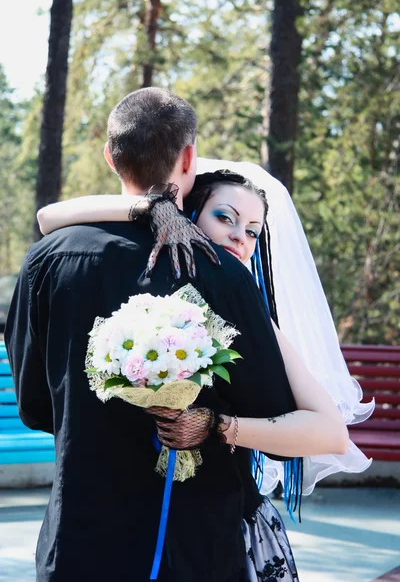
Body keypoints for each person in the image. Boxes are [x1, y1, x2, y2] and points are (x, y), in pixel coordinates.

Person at [6, 87, 348, 582]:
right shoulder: (221, 277)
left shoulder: (45, 260)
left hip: (79, 543)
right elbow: (279, 420)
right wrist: (215, 424)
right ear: (188, 157)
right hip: (192, 546)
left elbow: (37, 407)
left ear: (109, 157)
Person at [38, 161, 374, 498]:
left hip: (209, 508)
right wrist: (155, 209)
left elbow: (332, 434)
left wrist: (218, 425)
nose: (240, 236)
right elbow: (47, 217)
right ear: (191, 212)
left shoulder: (246, 307)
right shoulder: (133, 280)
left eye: (253, 231)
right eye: (225, 217)